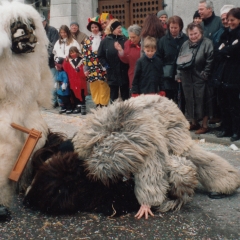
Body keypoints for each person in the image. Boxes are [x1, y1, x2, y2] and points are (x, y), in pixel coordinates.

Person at [177, 23, 214, 134]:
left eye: (195, 33)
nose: (193, 36)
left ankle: (204, 125)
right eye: (191, 34)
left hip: (201, 78)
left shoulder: (207, 43)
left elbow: (210, 60)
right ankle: (194, 122)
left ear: (201, 32)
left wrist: (205, 74)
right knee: (190, 100)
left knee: (203, 101)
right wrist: (178, 75)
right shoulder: (185, 45)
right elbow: (179, 60)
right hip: (187, 78)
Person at [212, 8, 240, 141]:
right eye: (228, 20)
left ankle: (236, 131)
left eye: (232, 20)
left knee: (234, 105)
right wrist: (227, 51)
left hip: (235, 74)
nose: (229, 22)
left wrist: (226, 51)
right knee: (223, 104)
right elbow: (217, 52)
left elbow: (235, 51)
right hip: (222, 74)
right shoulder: (225, 34)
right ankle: (226, 128)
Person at [158, 15, 188, 112]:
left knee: (181, 99)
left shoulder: (186, 40)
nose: (173, 30)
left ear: (180, 27)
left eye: (176, 28)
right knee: (168, 99)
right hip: (167, 75)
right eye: (171, 27)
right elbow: (159, 57)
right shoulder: (163, 40)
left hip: (182, 74)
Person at [98, 19, 129, 102]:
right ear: (112, 29)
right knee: (113, 96)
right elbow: (100, 56)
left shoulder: (124, 40)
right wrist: (107, 66)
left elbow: (127, 54)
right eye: (118, 28)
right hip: (112, 72)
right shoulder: (105, 41)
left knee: (126, 96)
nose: (120, 30)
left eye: (121, 28)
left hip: (124, 72)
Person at [82, 16, 110, 108]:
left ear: (99, 28)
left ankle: (104, 103)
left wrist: (106, 66)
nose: (94, 29)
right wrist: (85, 68)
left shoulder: (104, 38)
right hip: (91, 66)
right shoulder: (87, 40)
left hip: (102, 65)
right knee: (94, 84)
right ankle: (97, 103)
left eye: (96, 27)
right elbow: (85, 54)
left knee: (103, 84)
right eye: (92, 27)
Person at [114, 24, 141, 90]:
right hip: (132, 72)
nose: (131, 39)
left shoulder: (144, 44)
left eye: (134, 37)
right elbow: (125, 60)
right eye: (130, 37)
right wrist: (120, 50)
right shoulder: (127, 43)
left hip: (144, 73)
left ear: (139, 36)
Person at [63, 47, 88, 115]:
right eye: (71, 53)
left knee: (82, 94)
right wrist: (65, 61)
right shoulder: (69, 61)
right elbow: (65, 69)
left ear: (77, 52)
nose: (72, 54)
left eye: (74, 52)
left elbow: (85, 69)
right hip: (73, 81)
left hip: (81, 81)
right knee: (74, 94)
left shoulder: (82, 60)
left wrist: (80, 70)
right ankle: (77, 106)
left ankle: (82, 106)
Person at [41, 14, 59, 108]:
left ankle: (53, 101)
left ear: (45, 22)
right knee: (43, 82)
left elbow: (53, 45)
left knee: (53, 81)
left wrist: (46, 56)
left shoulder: (52, 30)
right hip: (41, 62)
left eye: (42, 22)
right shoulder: (37, 31)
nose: (41, 24)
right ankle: (45, 101)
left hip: (51, 61)